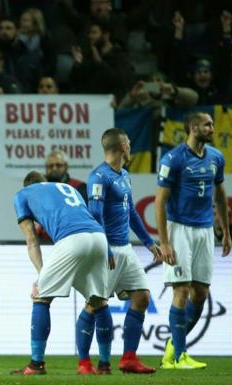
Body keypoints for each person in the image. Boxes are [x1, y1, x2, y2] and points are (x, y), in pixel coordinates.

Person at [11, 171, 113, 375]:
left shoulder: (22, 195)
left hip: (72, 238)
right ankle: (104, 365)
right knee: (99, 301)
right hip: (99, 238)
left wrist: (42, 277)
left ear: (27, 186)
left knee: (41, 296)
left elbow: (32, 240)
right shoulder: (69, 188)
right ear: (45, 182)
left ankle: (36, 364)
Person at [156, 111, 232, 369]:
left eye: (212, 124)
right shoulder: (173, 158)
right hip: (179, 229)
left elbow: (220, 196)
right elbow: (160, 201)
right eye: (207, 124)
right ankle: (179, 357)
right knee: (182, 289)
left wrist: (226, 232)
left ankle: (172, 348)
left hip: (205, 230)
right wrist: (164, 241)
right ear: (193, 127)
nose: (212, 128)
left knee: (201, 293)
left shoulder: (216, 157)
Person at [87, 128, 162, 374]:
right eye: (129, 143)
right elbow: (96, 216)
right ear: (121, 147)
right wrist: (105, 247)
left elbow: (131, 213)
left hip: (126, 249)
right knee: (95, 304)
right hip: (105, 249)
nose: (131, 147)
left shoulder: (125, 175)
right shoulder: (99, 176)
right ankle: (89, 362)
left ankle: (128, 358)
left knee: (142, 297)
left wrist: (149, 242)